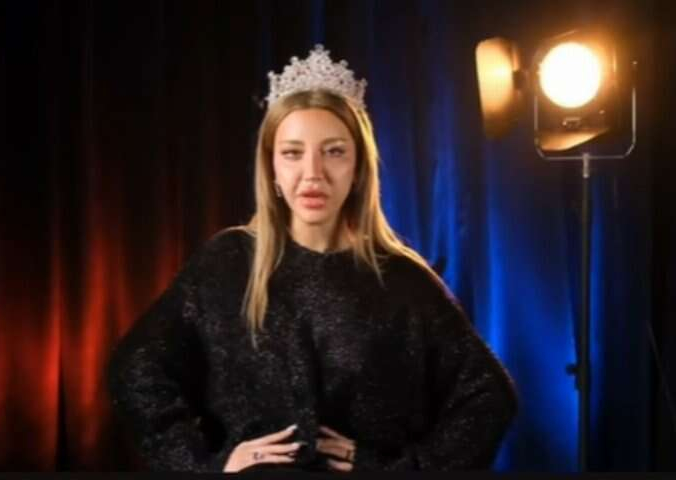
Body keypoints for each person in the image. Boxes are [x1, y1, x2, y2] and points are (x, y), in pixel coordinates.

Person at [107, 45, 518, 473]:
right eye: (292, 153)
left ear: (358, 168)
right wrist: (205, 466)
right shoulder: (226, 264)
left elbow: (489, 397)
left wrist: (397, 469)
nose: (313, 173)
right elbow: (136, 369)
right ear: (271, 168)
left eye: (334, 151)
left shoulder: (401, 280)